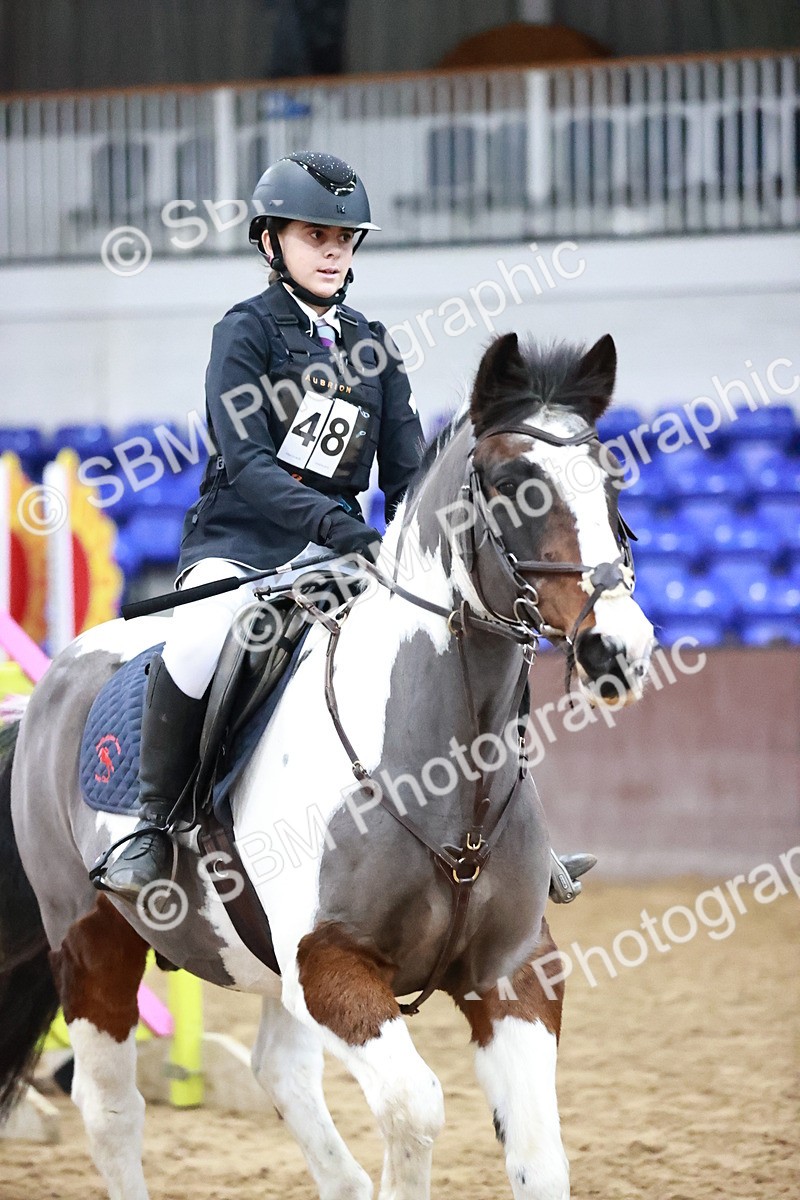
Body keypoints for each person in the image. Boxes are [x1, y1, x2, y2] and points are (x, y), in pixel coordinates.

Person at [97, 151, 424, 900]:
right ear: (271, 241)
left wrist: (411, 542)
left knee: (451, 633)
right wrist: (344, 531)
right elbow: (247, 463)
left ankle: (504, 821)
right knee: (204, 634)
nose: (335, 249)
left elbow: (406, 472)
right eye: (317, 235)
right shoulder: (243, 332)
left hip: (342, 557)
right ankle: (153, 821)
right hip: (243, 543)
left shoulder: (375, 346)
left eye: (345, 237)